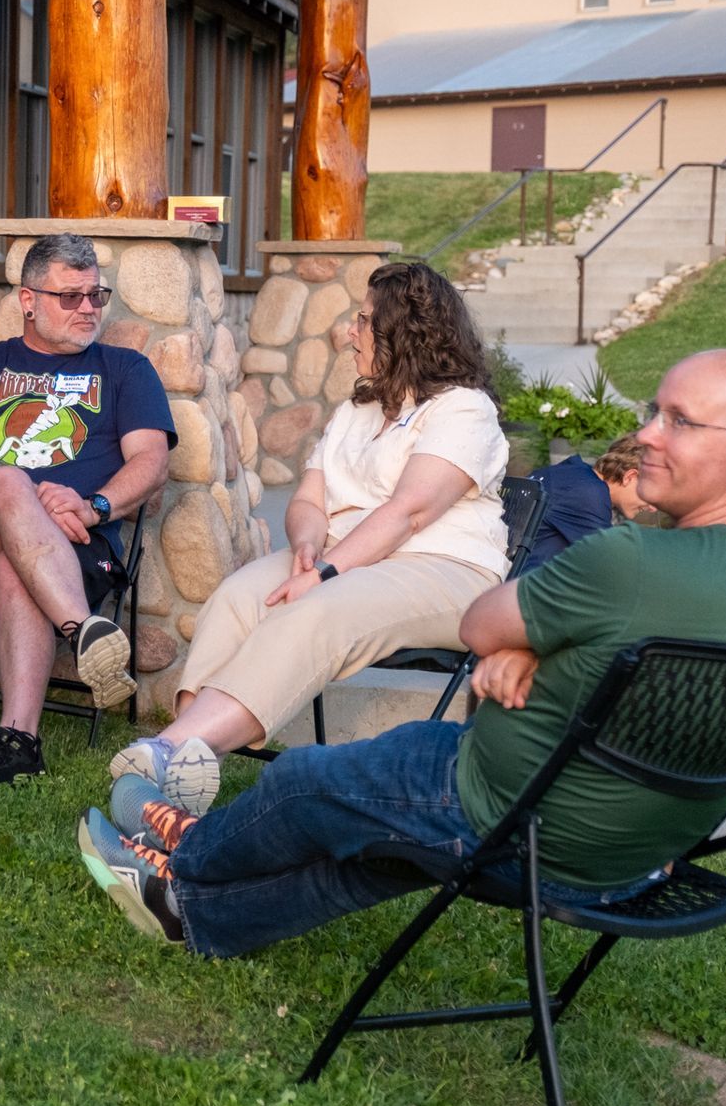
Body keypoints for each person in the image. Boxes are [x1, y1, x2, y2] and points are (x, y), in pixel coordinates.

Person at [76, 349, 726, 958]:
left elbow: (479, 623)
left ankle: (186, 858)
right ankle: (199, 916)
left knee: (305, 785)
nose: (649, 434)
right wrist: (541, 646)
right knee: (373, 854)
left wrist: (525, 642)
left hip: (505, 814)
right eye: (655, 412)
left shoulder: (624, 565)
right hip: (639, 862)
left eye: (681, 421)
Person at [111, 262, 508, 811]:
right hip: (348, 557)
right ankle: (186, 772)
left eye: (365, 321)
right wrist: (306, 545)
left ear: (405, 333)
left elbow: (409, 512)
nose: (350, 330)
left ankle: (169, 749)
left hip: (442, 567)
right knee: (237, 597)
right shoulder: (358, 410)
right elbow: (307, 501)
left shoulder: (464, 409)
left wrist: (324, 573)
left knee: (317, 609)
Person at [0, 232, 175, 783]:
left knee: (21, 567)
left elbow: (151, 461)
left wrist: (93, 507)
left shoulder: (126, 369)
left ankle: (18, 744)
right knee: (10, 480)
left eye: (95, 296)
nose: (87, 309)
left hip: (78, 541)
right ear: (29, 300)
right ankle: (85, 629)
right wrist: (33, 500)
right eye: (70, 296)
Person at [521, 432, 645, 572]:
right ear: (629, 477)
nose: (653, 507)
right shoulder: (589, 493)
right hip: (526, 587)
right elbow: (614, 566)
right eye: (651, 490)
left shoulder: (574, 473)